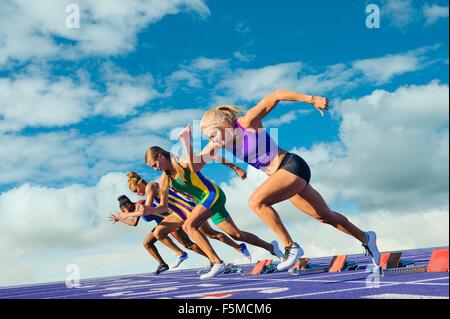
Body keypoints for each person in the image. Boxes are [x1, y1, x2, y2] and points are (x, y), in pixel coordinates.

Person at [178, 88, 381, 271]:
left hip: (291, 166)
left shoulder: (247, 123)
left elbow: (276, 95)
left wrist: (311, 100)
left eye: (212, 135)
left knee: (256, 202)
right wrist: (187, 142)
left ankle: (290, 247)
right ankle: (366, 238)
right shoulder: (219, 145)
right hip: (283, 177)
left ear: (224, 125)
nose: (211, 141)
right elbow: (194, 166)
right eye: (208, 139)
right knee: (324, 216)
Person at [145, 146, 284, 279]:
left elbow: (213, 155)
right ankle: (272, 248)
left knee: (189, 226)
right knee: (236, 234)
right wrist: (150, 210)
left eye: (154, 164)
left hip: (212, 194)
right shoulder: (165, 178)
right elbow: (163, 207)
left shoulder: (183, 162)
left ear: (161, 156)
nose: (155, 168)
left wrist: (235, 168)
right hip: (204, 201)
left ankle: (217, 262)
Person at [124, 171, 254, 265]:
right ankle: (185, 255)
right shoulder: (151, 188)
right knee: (159, 232)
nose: (137, 193)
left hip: (188, 210)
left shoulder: (150, 186)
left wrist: (124, 215)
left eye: (136, 190)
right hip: (179, 213)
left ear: (140, 183)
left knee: (211, 234)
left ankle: (236, 249)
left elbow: (146, 208)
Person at [110, 195, 203, 273]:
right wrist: (121, 219)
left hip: (171, 221)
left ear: (128, 204)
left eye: (124, 211)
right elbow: (134, 223)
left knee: (188, 245)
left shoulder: (140, 204)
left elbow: (135, 220)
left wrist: (123, 217)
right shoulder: (135, 211)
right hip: (162, 225)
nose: (124, 213)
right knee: (147, 243)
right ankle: (162, 265)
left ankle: (211, 259)